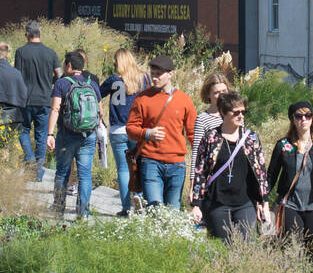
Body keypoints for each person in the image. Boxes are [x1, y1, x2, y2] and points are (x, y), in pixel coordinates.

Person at [191, 92, 271, 241]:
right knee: (223, 247)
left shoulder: (251, 138)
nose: (241, 116)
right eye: (236, 112)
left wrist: (264, 203)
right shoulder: (211, 137)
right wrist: (196, 204)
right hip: (217, 202)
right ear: (223, 112)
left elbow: (261, 172)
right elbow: (200, 171)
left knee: (247, 246)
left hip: (245, 202)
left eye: (243, 112)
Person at [268, 101, 313, 257]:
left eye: (308, 115)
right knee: (292, 248)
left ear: (312, 118)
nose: (304, 119)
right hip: (290, 204)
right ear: (293, 120)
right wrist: (263, 203)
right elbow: (271, 176)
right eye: (299, 116)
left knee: (311, 250)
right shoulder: (283, 145)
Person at [125, 55, 197, 208]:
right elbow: (130, 129)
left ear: (171, 74)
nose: (155, 78)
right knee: (155, 208)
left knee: (173, 211)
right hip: (150, 161)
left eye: (159, 74)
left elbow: (193, 134)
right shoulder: (142, 98)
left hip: (177, 165)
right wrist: (147, 133)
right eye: (153, 74)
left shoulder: (184, 100)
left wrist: (200, 162)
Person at [46, 52, 102, 217]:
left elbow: (55, 109)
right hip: (88, 135)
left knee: (62, 171)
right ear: (82, 67)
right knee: (85, 174)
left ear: (69, 66)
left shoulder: (62, 83)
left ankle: (58, 208)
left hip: (67, 135)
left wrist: (50, 134)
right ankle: (83, 213)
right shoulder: (92, 84)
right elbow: (100, 110)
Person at [100, 48, 150, 215]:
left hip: (117, 130)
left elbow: (97, 94)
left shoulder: (113, 80)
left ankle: (125, 208)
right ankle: (140, 199)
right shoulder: (143, 78)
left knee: (122, 169)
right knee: (139, 166)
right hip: (137, 130)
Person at [14, 21, 61, 180]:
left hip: (25, 100)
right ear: (39, 33)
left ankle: (29, 159)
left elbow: (17, 76)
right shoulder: (51, 53)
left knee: (23, 130)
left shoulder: (21, 52)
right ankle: (38, 171)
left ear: (27, 34)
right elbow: (60, 75)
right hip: (45, 100)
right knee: (41, 136)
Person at [190, 69, 234, 200]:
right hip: (213, 175)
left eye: (223, 91)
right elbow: (197, 153)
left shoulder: (236, 114)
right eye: (216, 93)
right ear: (208, 95)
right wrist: (193, 184)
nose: (221, 96)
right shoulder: (203, 119)